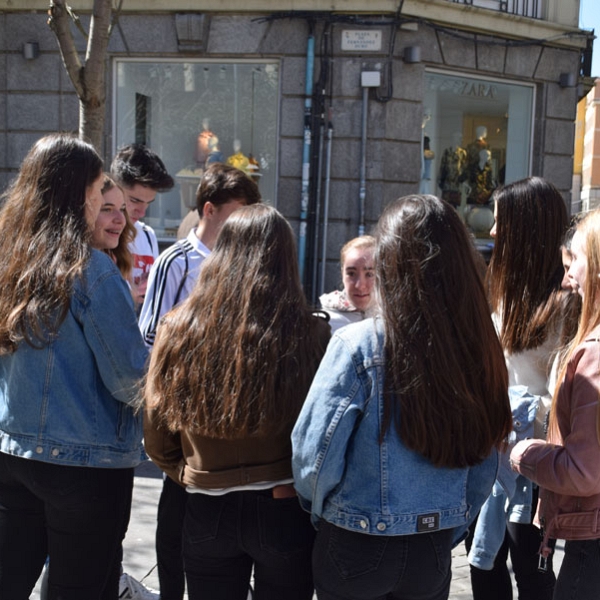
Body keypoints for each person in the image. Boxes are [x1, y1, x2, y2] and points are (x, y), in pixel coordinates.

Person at [292, 194, 512, 600]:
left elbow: (313, 457)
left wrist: (324, 512)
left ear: (391, 264)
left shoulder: (358, 345)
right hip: (430, 545)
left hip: (356, 538)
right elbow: (487, 456)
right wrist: (452, 520)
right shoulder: (479, 347)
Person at [143, 204, 330, 600]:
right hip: (284, 505)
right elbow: (325, 433)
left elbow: (157, 439)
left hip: (207, 506)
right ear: (285, 260)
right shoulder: (312, 333)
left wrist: (195, 475)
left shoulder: (177, 329)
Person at [0, 133, 148, 599]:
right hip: (85, 466)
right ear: (78, 192)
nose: (108, 202)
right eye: (98, 187)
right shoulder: (91, 270)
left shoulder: (11, 261)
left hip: (13, 452)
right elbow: (130, 379)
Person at [139, 163, 261, 600]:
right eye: (235, 216)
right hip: (182, 409)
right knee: (176, 511)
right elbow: (151, 336)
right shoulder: (176, 260)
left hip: (230, 411)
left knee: (215, 515)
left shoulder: (248, 264)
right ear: (209, 210)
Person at [468, 177, 568, 600]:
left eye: (500, 222)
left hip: (533, 459)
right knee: (482, 563)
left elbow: (568, 393)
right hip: (490, 452)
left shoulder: (566, 301)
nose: (492, 231)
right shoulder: (501, 288)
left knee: (531, 568)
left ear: (527, 228)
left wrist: (522, 416)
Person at [510, 208, 600, 600]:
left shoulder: (594, 355)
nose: (567, 277)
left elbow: (584, 471)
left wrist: (524, 452)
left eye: (575, 261)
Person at [111, 143, 175, 311]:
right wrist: (126, 294)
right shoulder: (99, 234)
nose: (142, 212)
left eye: (148, 204)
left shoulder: (148, 235)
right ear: (114, 187)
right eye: (135, 201)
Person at [319, 235, 377, 333]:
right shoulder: (323, 323)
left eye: (369, 274)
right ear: (342, 273)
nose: (360, 285)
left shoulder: (395, 320)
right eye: (351, 274)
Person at [91, 174, 136, 282]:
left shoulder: (116, 262)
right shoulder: (70, 272)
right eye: (107, 209)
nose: (121, 220)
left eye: (122, 209)